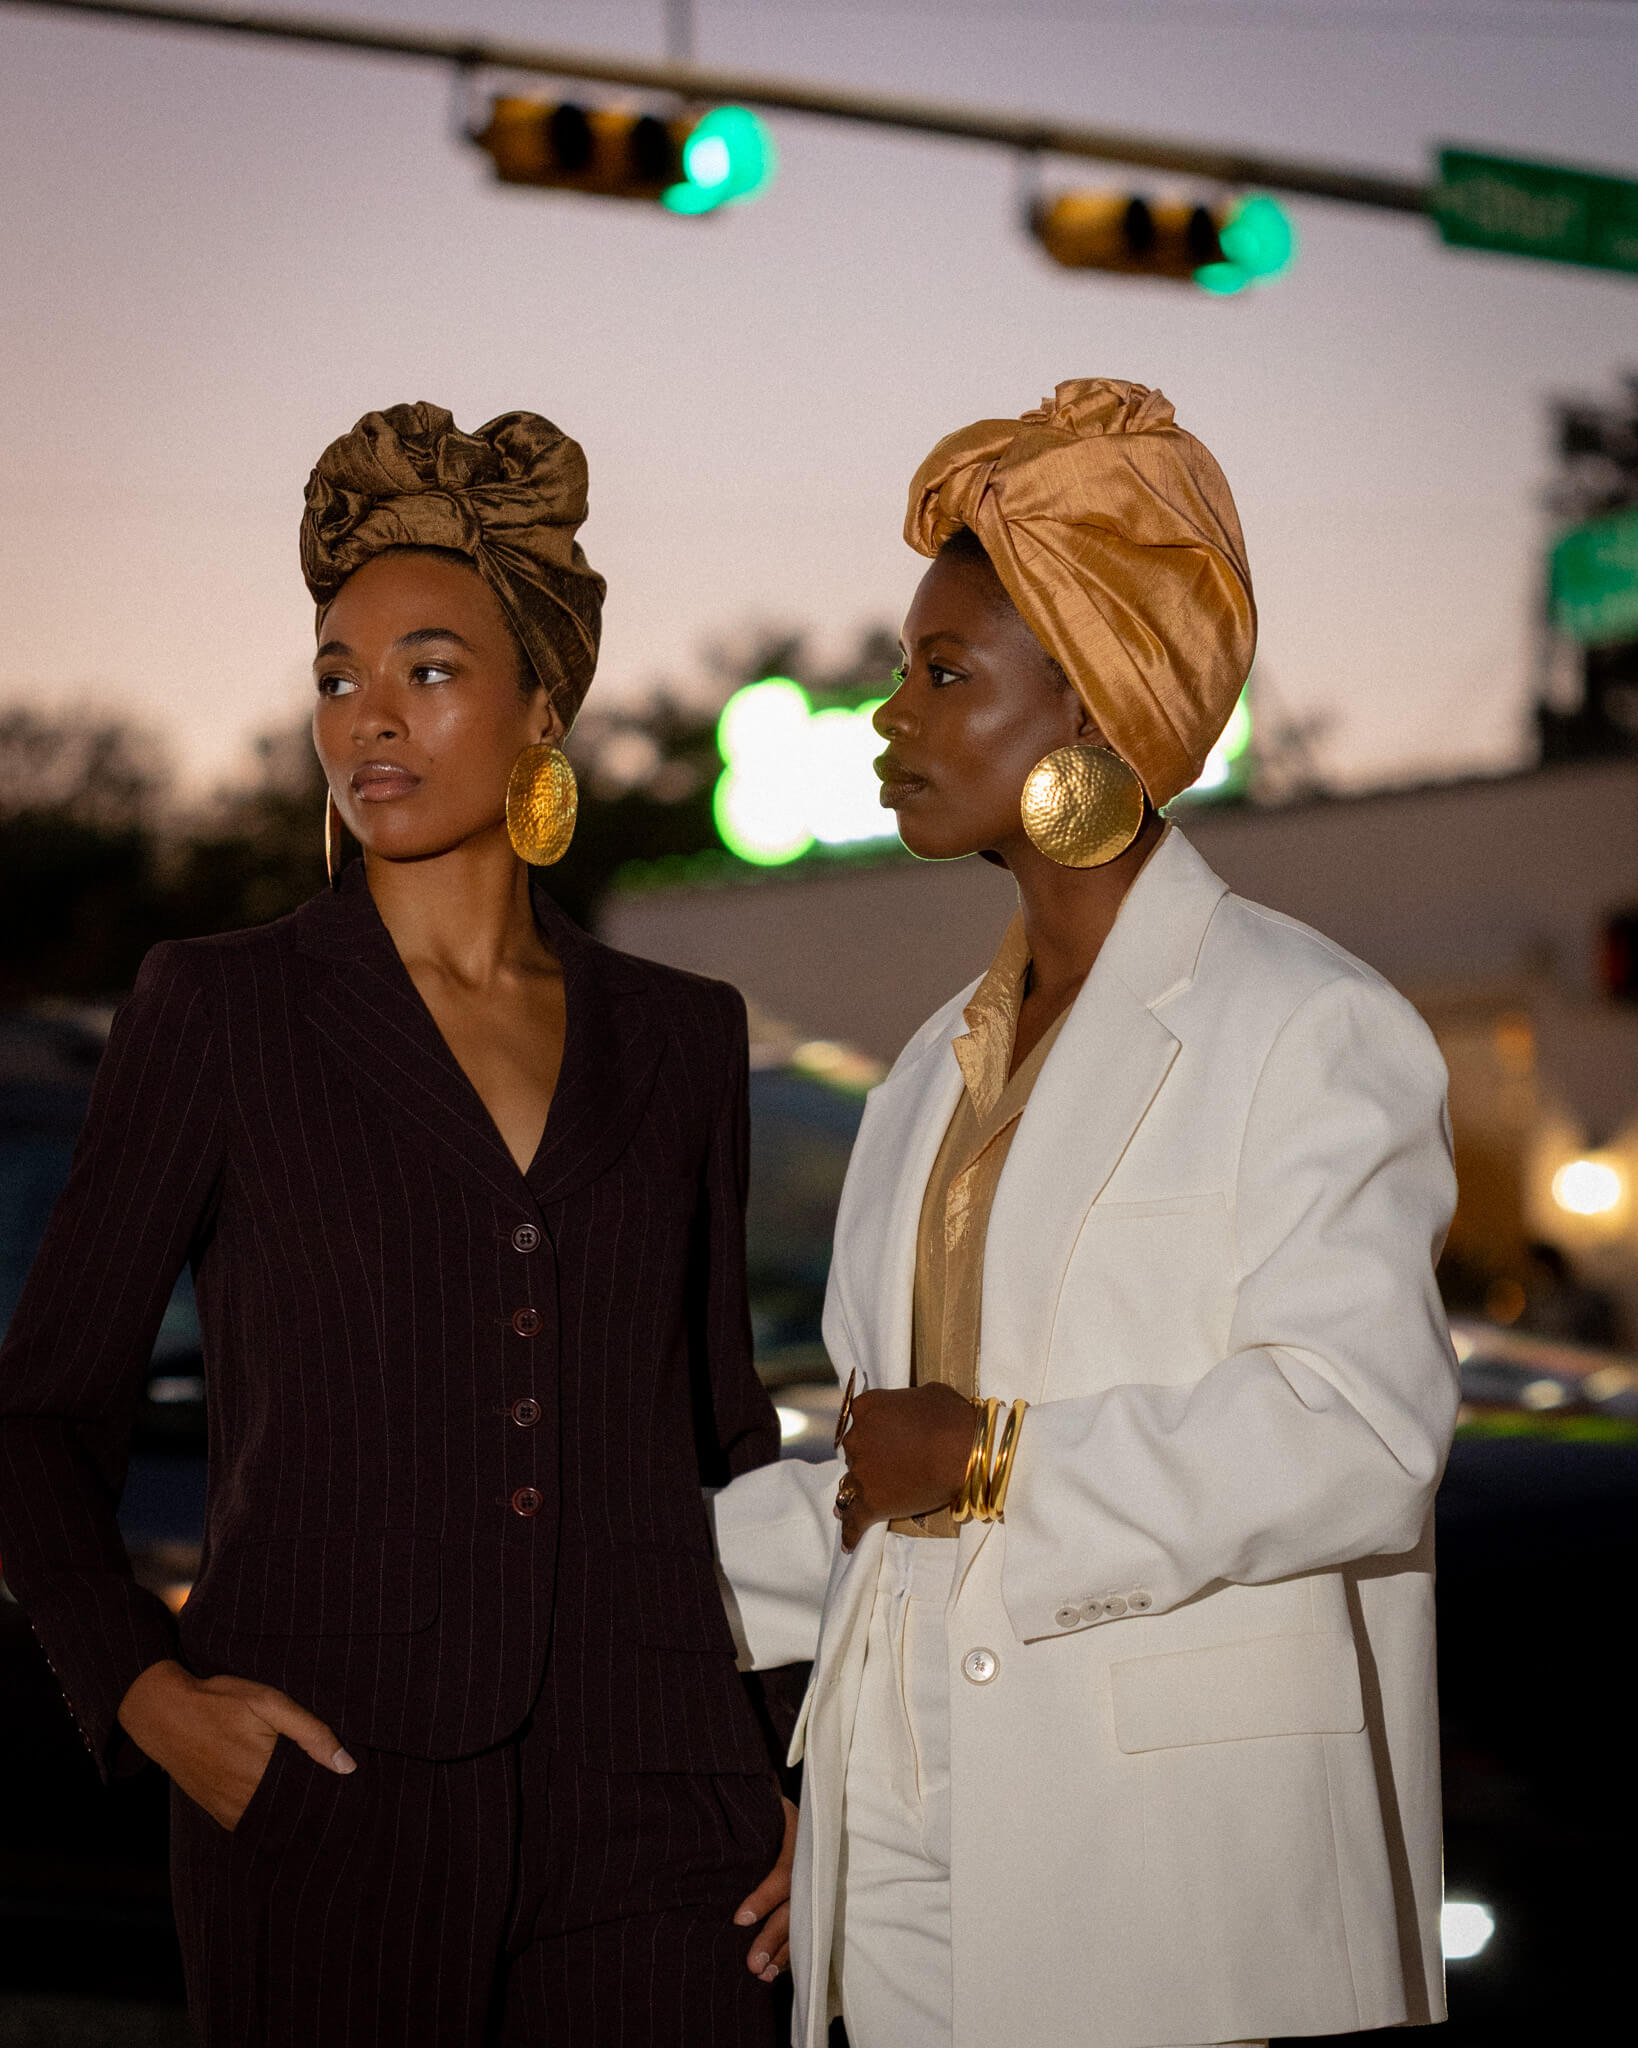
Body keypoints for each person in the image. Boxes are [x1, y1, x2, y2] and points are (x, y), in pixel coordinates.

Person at [0, 402, 796, 2046]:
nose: (369, 717)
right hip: (329, 1793)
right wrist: (148, 1701)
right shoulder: (221, 1012)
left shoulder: (681, 1034)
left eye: (427, 670)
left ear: (540, 706)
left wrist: (800, 1765)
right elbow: (40, 1416)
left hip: (664, 1812)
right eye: (336, 675)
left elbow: (722, 1437)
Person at [711, 379, 1459, 2048]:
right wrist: (560, 1587)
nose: (887, 717)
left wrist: (992, 1462)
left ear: (1092, 715)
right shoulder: (925, 1077)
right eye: (904, 670)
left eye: (942, 671)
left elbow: (1358, 1430)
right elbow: (866, 1482)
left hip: (1159, 1875)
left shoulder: (1301, 1022)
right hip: (892, 1834)